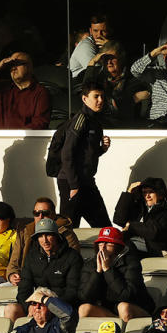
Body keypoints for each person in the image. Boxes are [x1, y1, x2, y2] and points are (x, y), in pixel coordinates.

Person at [52, 82, 112, 228]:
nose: (100, 100)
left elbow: (87, 154)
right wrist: (73, 185)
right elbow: (67, 153)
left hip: (87, 182)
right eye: (96, 96)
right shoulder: (80, 120)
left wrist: (102, 149)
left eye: (102, 96)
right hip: (72, 182)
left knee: (104, 228)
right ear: (85, 99)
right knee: (68, 230)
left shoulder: (95, 122)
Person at [9, 218, 82, 323]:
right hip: (38, 304)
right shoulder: (32, 257)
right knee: (11, 309)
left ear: (57, 236)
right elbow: (23, 290)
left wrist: (49, 304)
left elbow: (73, 292)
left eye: (48, 235)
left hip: (62, 306)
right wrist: (29, 306)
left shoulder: (72, 257)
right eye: (40, 236)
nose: (45, 240)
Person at [78, 226, 154, 322]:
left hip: (135, 308)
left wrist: (108, 270)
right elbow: (84, 297)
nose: (103, 247)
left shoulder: (131, 263)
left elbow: (126, 295)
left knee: (123, 307)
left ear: (118, 246)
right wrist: (97, 272)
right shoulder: (91, 265)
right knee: (84, 309)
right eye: (101, 243)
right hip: (109, 311)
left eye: (108, 243)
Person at [6, 198, 80, 291]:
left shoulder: (66, 233)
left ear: (53, 215)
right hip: (25, 280)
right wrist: (12, 275)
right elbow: (14, 262)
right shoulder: (24, 232)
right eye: (36, 213)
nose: (40, 217)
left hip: (55, 283)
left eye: (45, 213)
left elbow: (72, 262)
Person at [0, 51, 51, 129]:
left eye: (18, 64)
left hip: (24, 140)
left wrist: (16, 136)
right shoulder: (3, 88)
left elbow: (40, 123)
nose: (14, 68)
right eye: (11, 65)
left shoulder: (41, 92)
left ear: (29, 67)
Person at [113, 177, 167, 257]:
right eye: (144, 192)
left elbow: (153, 232)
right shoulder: (139, 211)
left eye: (151, 192)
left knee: (121, 247)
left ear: (160, 195)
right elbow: (118, 219)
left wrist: (130, 225)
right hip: (130, 246)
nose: (147, 196)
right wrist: (129, 193)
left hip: (152, 251)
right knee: (107, 244)